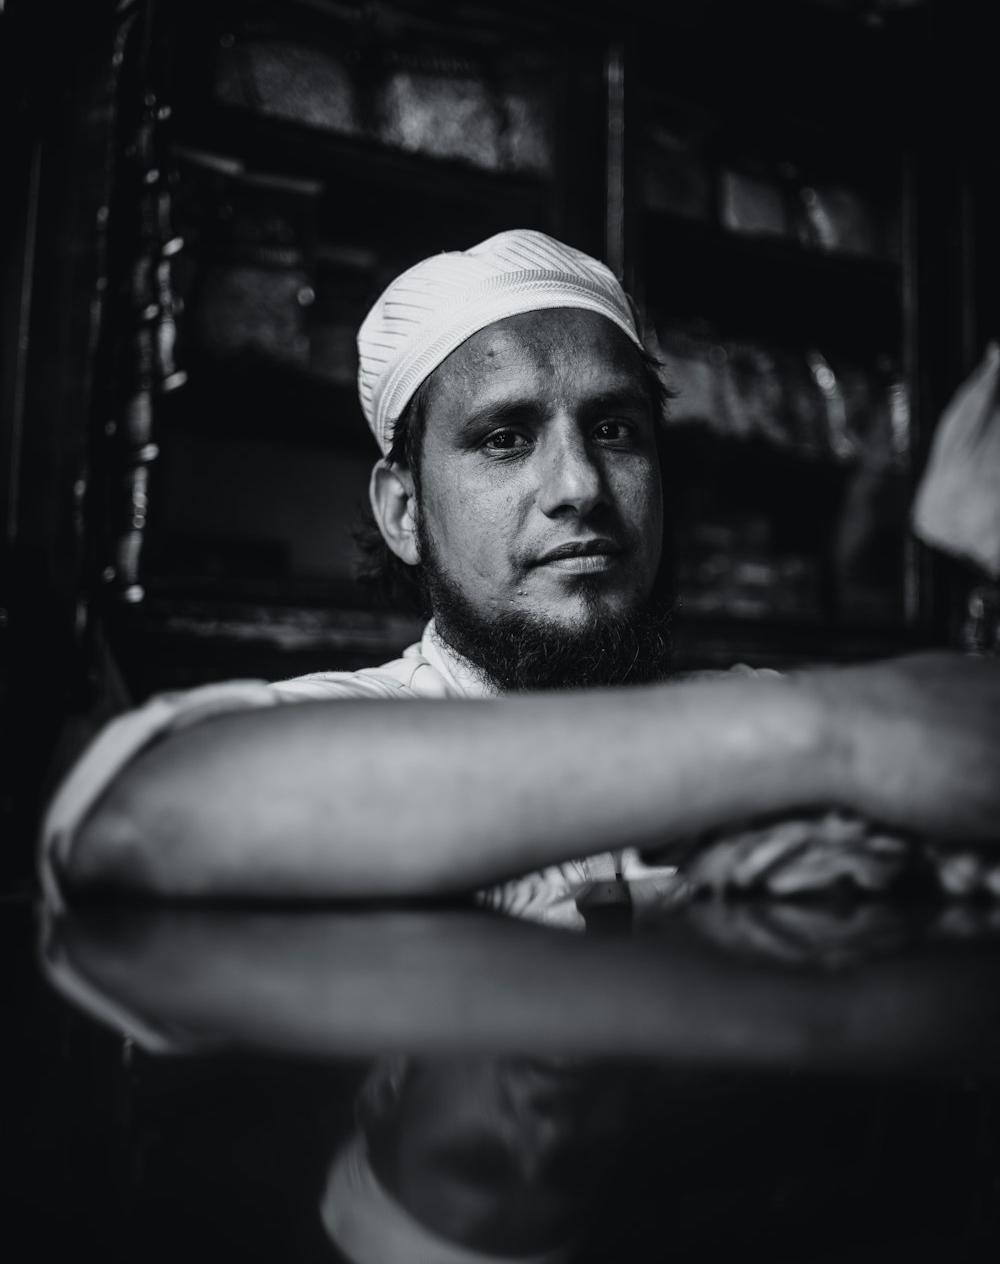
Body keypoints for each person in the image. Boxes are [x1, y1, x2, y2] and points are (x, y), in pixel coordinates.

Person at [40, 230, 1000, 910]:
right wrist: (823, 733)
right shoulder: (350, 721)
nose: (580, 484)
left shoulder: (771, 713)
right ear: (404, 511)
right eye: (504, 438)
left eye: (615, 430)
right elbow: (138, 818)